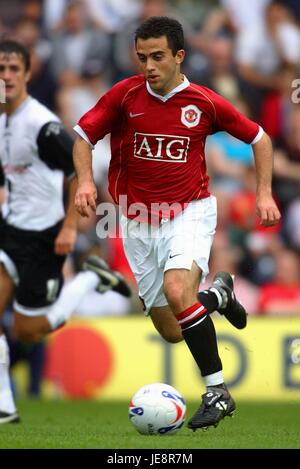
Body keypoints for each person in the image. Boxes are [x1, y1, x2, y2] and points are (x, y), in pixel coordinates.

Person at [73, 16, 281, 431]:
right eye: (142, 57)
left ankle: (217, 391)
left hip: (190, 211)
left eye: (157, 57)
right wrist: (83, 181)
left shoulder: (204, 102)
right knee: (171, 329)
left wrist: (263, 192)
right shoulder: (124, 95)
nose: (148, 66)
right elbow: (82, 136)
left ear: (179, 56)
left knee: (176, 289)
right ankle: (218, 296)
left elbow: (260, 138)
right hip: (135, 221)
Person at [0, 40, 131, 424]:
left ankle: (90, 279)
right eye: (0, 69)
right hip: (10, 231)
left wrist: (70, 226)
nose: (5, 76)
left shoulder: (40, 125)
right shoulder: (3, 121)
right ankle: (5, 405)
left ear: (27, 73)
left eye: (12, 69)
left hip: (45, 236)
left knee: (29, 330)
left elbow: (78, 170)